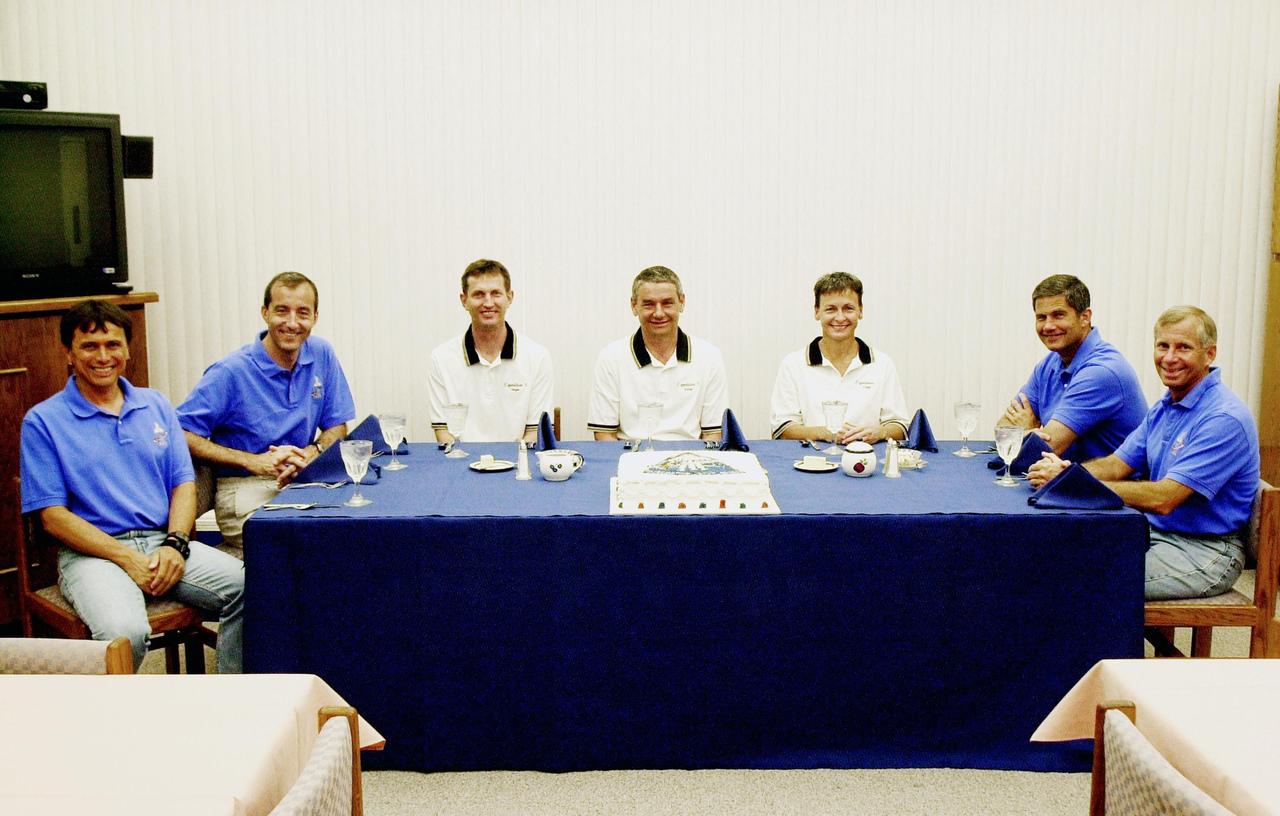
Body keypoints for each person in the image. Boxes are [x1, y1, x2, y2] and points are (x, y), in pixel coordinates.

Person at [19, 300, 244, 672]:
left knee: (252, 588)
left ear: (127, 350)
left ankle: (231, 692)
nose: (103, 356)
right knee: (125, 633)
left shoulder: (155, 405)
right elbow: (53, 518)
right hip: (93, 555)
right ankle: (117, 709)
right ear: (69, 354)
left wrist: (176, 543)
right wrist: (127, 559)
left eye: (113, 344)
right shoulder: (43, 421)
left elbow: (183, 483)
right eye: (89, 346)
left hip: (162, 542)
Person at [1028, 306, 1260, 600]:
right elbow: (1115, 465)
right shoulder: (1167, 405)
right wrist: (1066, 474)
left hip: (1205, 552)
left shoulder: (1224, 418)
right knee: (1047, 555)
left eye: (1183, 347)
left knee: (1076, 582)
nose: (1170, 358)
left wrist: (1076, 485)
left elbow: (1164, 498)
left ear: (1209, 354)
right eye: (1163, 346)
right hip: (1154, 533)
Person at [178, 272, 355, 547]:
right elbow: (180, 433)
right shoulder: (231, 372)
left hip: (301, 482)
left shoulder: (321, 353)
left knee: (356, 529)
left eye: (302, 313)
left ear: (315, 317)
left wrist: (313, 452)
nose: (292, 323)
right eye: (282, 311)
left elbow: (337, 425)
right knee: (313, 546)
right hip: (246, 486)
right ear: (265, 313)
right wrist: (252, 461)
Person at [1000, 275, 1147, 461]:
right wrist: (1028, 436)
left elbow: (1043, 450)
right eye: (1041, 317)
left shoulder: (1101, 371)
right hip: (1064, 474)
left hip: (1106, 479)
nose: (1048, 326)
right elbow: (1002, 432)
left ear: (1085, 317)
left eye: (1058, 315)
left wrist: (1025, 432)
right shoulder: (1048, 364)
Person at [588, 266, 727, 441]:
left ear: (681, 302)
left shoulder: (709, 357)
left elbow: (713, 434)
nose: (659, 313)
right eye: (649, 304)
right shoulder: (610, 358)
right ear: (634, 306)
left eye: (667, 303)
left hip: (690, 456)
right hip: (630, 455)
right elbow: (604, 435)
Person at [770, 272, 909, 444]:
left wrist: (880, 432)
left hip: (867, 458)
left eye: (848, 308)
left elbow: (899, 426)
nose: (840, 317)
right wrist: (827, 433)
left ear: (860, 311)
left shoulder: (882, 364)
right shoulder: (793, 364)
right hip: (810, 459)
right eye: (831, 309)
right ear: (817, 312)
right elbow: (782, 429)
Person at [428, 259, 554, 444]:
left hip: (517, 460)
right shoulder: (441, 358)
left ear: (509, 298)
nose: (488, 303)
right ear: (464, 300)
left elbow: (534, 434)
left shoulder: (538, 357)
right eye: (478, 294)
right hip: (461, 460)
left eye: (496, 293)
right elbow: (443, 433)